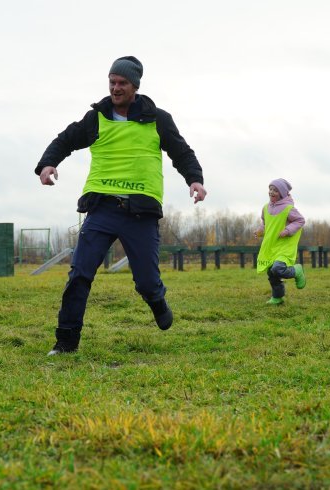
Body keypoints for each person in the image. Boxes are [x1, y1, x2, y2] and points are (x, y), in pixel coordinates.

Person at [35, 56, 207, 355]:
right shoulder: (96, 118)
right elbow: (64, 140)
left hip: (141, 212)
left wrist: (194, 179)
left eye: (122, 83)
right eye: (112, 82)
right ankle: (66, 342)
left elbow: (181, 151)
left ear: (135, 86)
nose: (115, 88)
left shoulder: (158, 119)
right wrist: (47, 164)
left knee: (147, 282)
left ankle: (157, 300)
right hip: (102, 208)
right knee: (80, 274)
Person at [253, 178, 306, 305]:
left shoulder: (288, 209)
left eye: (275, 190)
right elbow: (266, 224)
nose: (271, 192)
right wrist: (260, 231)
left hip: (284, 246)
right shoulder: (265, 208)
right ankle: (277, 297)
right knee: (271, 272)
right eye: (270, 189)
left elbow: (300, 221)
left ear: (281, 193)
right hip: (271, 246)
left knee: (277, 269)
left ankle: (296, 271)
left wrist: (288, 230)